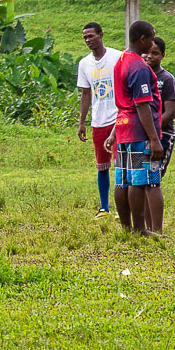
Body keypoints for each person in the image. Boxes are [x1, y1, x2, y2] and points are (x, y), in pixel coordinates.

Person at [112, 21, 165, 236]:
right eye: (151, 39)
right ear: (142, 39)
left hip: (122, 128)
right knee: (139, 179)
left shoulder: (121, 60)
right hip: (138, 130)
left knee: (122, 180)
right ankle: (140, 229)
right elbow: (142, 105)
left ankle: (126, 228)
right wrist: (154, 139)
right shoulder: (139, 67)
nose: (152, 44)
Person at [74, 22, 122, 217]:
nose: (88, 40)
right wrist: (82, 122)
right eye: (85, 37)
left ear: (101, 35)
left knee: (120, 164)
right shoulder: (84, 64)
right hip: (98, 121)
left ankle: (122, 207)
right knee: (102, 166)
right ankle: (104, 208)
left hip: (119, 118)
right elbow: (86, 94)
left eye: (91, 36)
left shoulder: (117, 57)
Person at [144, 36, 175, 182]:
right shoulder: (140, 76)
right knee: (140, 178)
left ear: (163, 55)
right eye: (147, 52)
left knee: (154, 178)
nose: (149, 56)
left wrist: (152, 131)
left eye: (155, 53)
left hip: (162, 134)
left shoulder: (167, 80)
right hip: (141, 134)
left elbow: (170, 113)